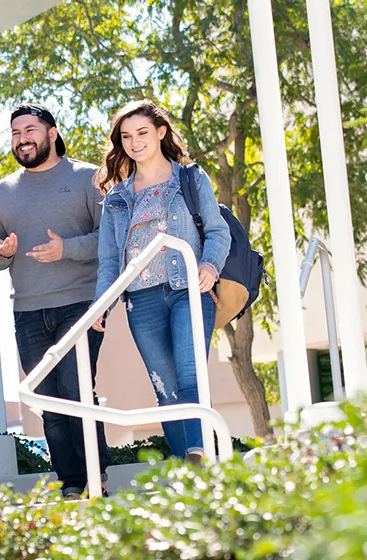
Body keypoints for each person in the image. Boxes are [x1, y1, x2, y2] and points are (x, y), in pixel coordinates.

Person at [92, 100, 232, 463]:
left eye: (142, 132)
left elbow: (217, 232)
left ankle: (200, 454)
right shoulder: (117, 199)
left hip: (188, 289)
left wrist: (210, 266)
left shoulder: (190, 178)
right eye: (126, 136)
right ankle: (190, 466)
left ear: (161, 132)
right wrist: (101, 304)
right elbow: (109, 260)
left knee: (190, 376)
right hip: (141, 300)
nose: (135, 142)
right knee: (165, 388)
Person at [0, 104, 111, 498]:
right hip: (27, 311)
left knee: (76, 391)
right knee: (49, 402)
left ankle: (97, 478)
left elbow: (110, 240)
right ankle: (71, 482)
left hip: (80, 304)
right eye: (15, 132)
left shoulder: (88, 177)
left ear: (51, 133)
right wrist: (3, 253)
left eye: (30, 130)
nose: (22, 138)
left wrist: (66, 250)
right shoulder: (0, 194)